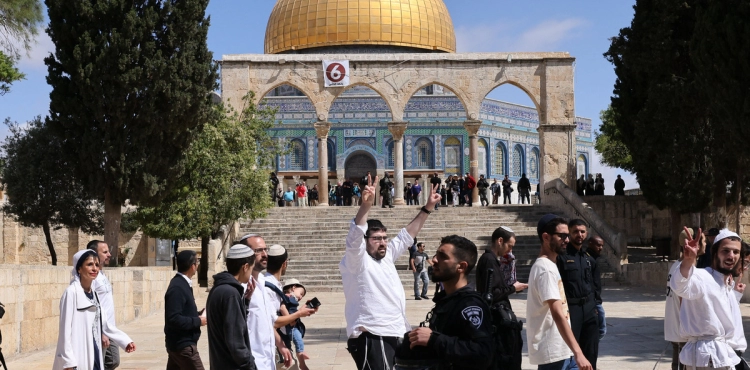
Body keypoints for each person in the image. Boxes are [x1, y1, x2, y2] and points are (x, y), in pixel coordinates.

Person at [340, 174, 441, 370]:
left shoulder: (386, 256)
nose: (383, 242)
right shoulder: (356, 261)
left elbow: (407, 235)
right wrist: (366, 206)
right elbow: (355, 237)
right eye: (376, 238)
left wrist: (427, 208)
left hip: (396, 330)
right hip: (371, 333)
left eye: (385, 238)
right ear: (365, 240)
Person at [395, 235, 495, 370]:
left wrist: (434, 339)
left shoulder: (470, 305)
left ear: (461, 266)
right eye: (436, 254)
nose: (435, 260)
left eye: (443, 256)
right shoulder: (447, 300)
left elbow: (483, 353)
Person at [670, 228, 746, 370]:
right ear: (714, 253)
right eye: (726, 251)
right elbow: (680, 285)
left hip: (725, 356)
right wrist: (688, 261)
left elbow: (720, 310)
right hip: (707, 358)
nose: (731, 256)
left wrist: (736, 294)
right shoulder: (702, 277)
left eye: (736, 252)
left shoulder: (726, 283)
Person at [527, 214, 592, 370]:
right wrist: (579, 353)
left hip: (562, 349)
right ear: (546, 237)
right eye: (562, 236)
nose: (567, 240)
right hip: (553, 352)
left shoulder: (550, 265)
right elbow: (557, 313)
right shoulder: (545, 269)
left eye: (567, 236)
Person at [237, 235, 295, 370]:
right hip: (251, 360)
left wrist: (280, 345)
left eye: (265, 249)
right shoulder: (241, 288)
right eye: (258, 251)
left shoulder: (263, 282)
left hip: (267, 360)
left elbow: (271, 321)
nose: (265, 255)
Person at [476, 226, 527, 370]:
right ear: (500, 241)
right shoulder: (489, 260)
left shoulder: (492, 260)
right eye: (509, 246)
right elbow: (490, 293)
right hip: (495, 321)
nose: (510, 251)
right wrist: (513, 288)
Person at [263, 244, 317, 370]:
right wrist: (298, 314)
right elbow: (271, 323)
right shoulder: (267, 288)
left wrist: (300, 310)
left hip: (279, 346)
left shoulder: (272, 285)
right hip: (272, 349)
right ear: (284, 264)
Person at [206, 245, 257, 370]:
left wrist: (245, 301)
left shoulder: (219, 289)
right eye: (251, 269)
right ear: (245, 267)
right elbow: (235, 341)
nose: (251, 274)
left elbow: (231, 322)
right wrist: (250, 365)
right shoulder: (231, 294)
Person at [557, 219, 599, 369]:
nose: (579, 235)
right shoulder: (561, 257)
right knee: (571, 353)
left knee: (591, 352)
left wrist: (596, 307)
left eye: (582, 231)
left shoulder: (588, 257)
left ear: (586, 234)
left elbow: (594, 285)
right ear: (569, 233)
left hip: (589, 309)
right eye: (575, 231)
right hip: (572, 309)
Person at [88, 240, 136, 370]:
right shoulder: (91, 278)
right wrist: (102, 332)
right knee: (99, 363)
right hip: (100, 330)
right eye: (105, 252)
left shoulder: (101, 274)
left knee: (113, 360)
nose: (109, 254)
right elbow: (92, 306)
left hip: (110, 328)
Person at [53, 250, 103, 370]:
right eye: (89, 264)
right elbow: (65, 330)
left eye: (96, 265)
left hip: (94, 350)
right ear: (79, 269)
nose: (94, 268)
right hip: (78, 353)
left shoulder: (94, 294)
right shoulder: (71, 293)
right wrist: (68, 361)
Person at [164, 250, 206, 370]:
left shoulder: (183, 284)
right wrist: (198, 321)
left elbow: (182, 312)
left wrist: (198, 314)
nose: (198, 265)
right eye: (197, 262)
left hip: (178, 345)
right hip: (183, 346)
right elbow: (173, 318)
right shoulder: (177, 287)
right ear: (193, 266)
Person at [665, 229, 692, 370]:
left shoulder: (675, 265)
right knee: (684, 363)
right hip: (683, 325)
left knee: (676, 361)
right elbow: (684, 299)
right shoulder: (687, 268)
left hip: (673, 323)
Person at [283, 279, 311, 370]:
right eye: (301, 293)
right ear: (293, 288)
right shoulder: (287, 297)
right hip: (291, 326)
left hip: (293, 325)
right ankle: (302, 363)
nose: (301, 297)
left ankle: (301, 354)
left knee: (297, 341)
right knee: (298, 342)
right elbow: (283, 309)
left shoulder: (289, 298)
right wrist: (289, 319)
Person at [586, 237, 606, 340]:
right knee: (602, 329)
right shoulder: (588, 259)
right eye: (598, 245)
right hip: (593, 300)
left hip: (596, 298)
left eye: (602, 245)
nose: (600, 248)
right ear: (590, 244)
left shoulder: (593, 258)